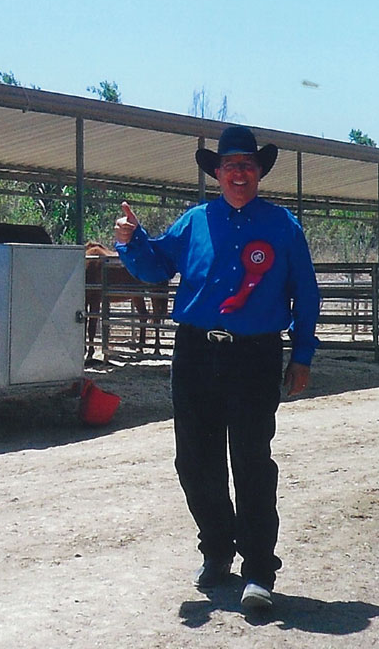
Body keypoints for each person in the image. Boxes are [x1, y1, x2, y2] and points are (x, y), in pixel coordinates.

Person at [114, 125, 320, 609]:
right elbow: (156, 266)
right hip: (195, 353)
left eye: (247, 165)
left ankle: (259, 570)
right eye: (230, 166)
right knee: (194, 461)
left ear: (260, 172)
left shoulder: (284, 227)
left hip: (254, 355)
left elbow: (305, 295)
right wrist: (131, 239)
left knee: (251, 461)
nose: (239, 173)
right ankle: (217, 549)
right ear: (218, 173)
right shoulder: (194, 221)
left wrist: (302, 355)